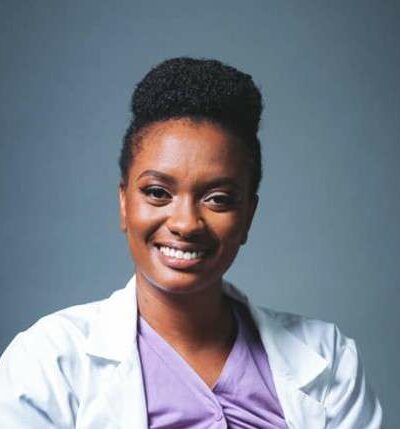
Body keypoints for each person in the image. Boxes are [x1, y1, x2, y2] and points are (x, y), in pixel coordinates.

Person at [0, 57, 382, 428]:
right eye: (157, 192)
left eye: (218, 198)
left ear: (248, 215)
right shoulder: (47, 362)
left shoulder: (328, 357)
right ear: (124, 203)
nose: (185, 223)